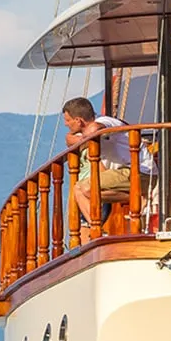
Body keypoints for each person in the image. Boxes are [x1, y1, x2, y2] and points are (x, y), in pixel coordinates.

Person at [62, 97, 153, 240]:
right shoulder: (89, 128)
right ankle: (138, 198)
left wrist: (81, 139)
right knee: (86, 191)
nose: (66, 124)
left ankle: (97, 230)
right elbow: (69, 140)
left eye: (68, 120)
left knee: (81, 188)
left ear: (78, 120)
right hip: (125, 175)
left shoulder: (106, 122)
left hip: (139, 172)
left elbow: (92, 130)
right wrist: (81, 139)